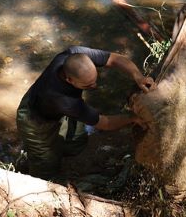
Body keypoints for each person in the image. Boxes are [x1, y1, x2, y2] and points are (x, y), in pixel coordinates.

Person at [16, 45, 153, 179]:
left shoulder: (75, 53)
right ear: (69, 80)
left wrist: (138, 76)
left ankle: (63, 156)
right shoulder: (63, 100)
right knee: (46, 164)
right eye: (88, 85)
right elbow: (103, 123)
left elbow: (114, 58)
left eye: (95, 80)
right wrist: (132, 118)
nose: (95, 86)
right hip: (35, 119)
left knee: (75, 143)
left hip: (54, 106)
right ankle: (33, 173)